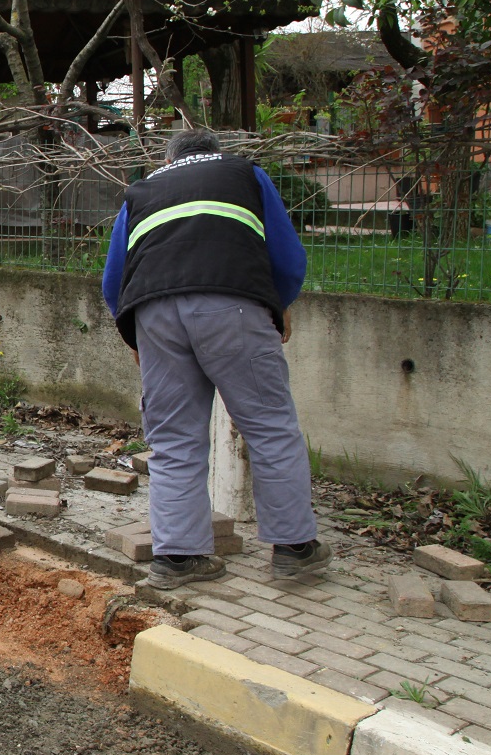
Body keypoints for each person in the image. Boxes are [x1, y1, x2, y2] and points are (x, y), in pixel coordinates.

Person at [101, 129, 329, 590]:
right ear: (214, 154)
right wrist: (277, 304)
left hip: (153, 313)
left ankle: (179, 559)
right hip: (233, 304)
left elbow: (113, 279)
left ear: (169, 159)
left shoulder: (140, 191)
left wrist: (134, 335)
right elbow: (286, 255)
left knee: (173, 438)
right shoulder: (244, 173)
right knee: (268, 425)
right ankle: (293, 550)